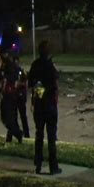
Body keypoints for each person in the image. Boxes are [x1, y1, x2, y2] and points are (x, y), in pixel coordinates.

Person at [28, 41, 61, 175]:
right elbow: (55, 84)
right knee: (51, 136)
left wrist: (39, 94)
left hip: (39, 104)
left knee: (39, 134)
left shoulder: (35, 65)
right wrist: (50, 97)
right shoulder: (50, 66)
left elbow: (32, 83)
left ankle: (38, 164)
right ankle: (53, 166)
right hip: (49, 105)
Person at [0, 54, 23, 143]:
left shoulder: (6, 69)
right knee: (12, 117)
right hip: (14, 94)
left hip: (8, 95)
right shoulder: (15, 68)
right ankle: (10, 137)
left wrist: (2, 91)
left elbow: (5, 81)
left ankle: (17, 133)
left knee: (5, 117)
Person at [13, 56, 30, 138]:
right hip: (14, 96)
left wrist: (19, 84)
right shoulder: (11, 71)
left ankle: (26, 134)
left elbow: (26, 84)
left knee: (22, 116)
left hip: (20, 96)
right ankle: (16, 133)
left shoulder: (21, 71)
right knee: (14, 116)